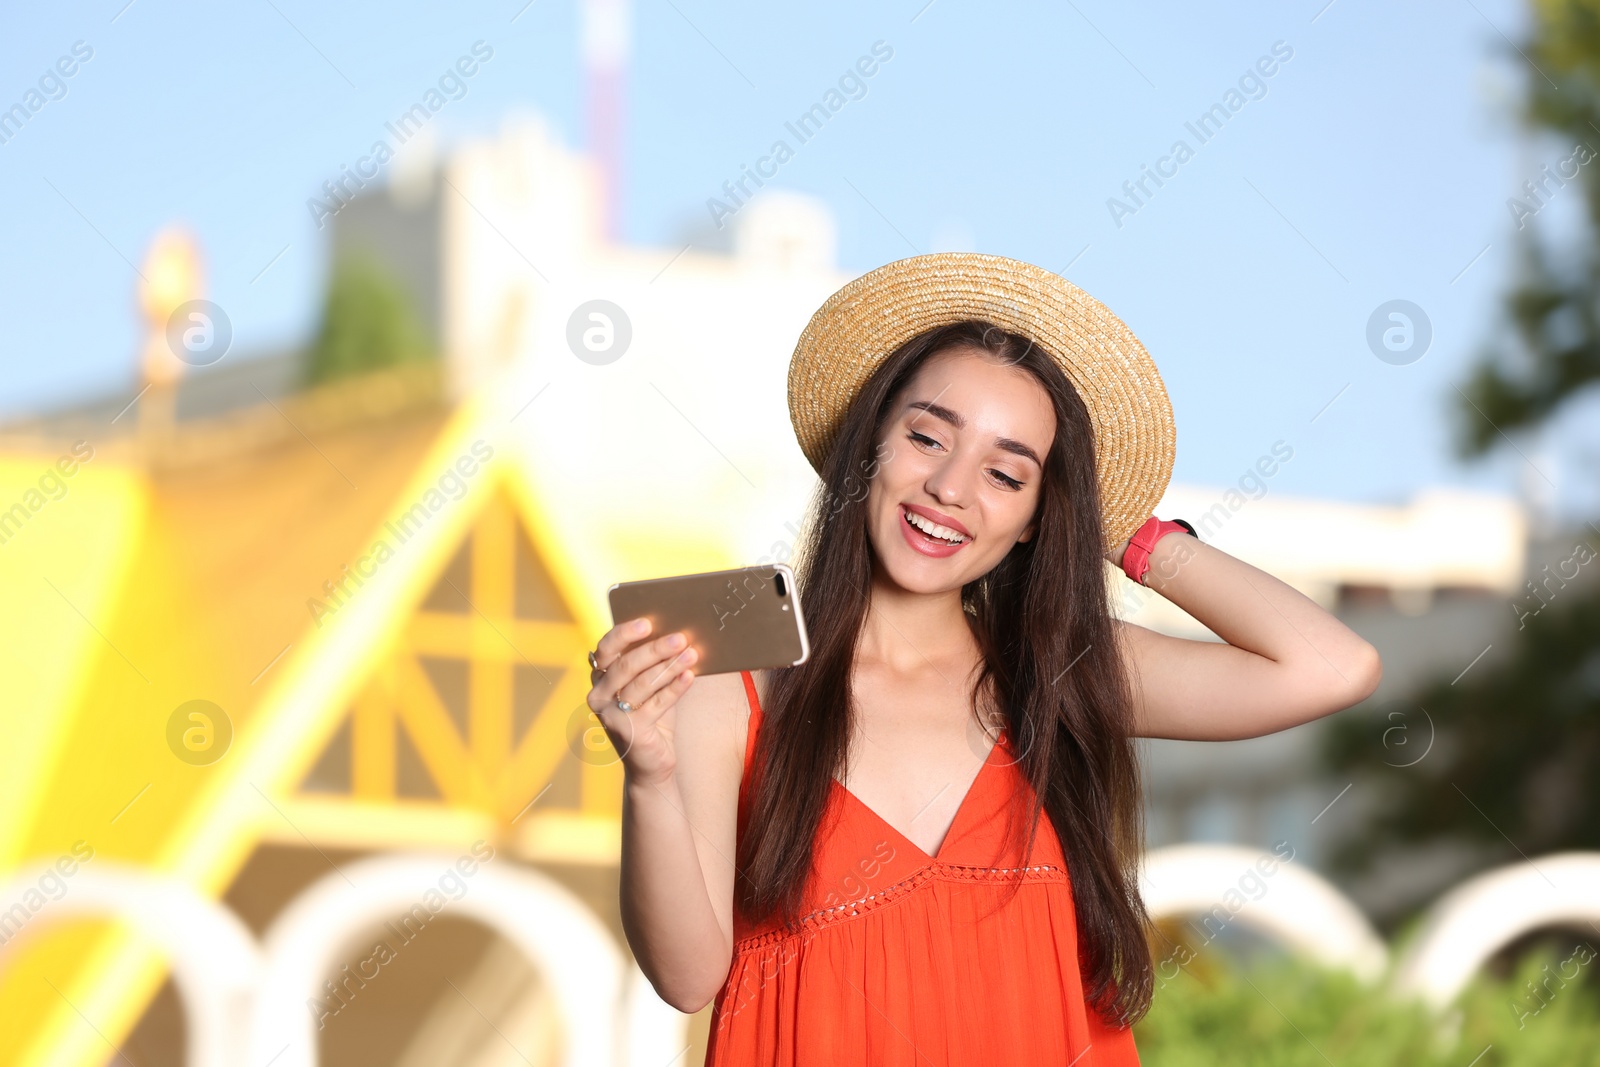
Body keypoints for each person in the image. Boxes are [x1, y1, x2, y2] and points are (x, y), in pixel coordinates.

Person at [584, 253, 1382, 1064]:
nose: (952, 487)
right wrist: (649, 776)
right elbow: (688, 978)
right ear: (869, 446)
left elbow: (1330, 664)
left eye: (1006, 473)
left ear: (1039, 515)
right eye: (927, 436)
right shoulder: (734, 686)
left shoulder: (1059, 674)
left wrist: (1118, 527)